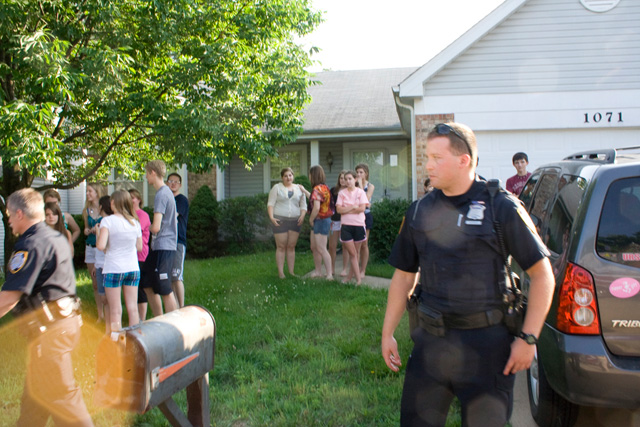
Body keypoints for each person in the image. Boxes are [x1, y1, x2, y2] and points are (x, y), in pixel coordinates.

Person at [381, 123, 554, 426]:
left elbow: (542, 275)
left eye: (436, 158)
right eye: (427, 157)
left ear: (464, 160)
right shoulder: (419, 211)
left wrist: (529, 339)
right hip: (431, 344)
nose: (428, 165)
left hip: (488, 348)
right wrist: (388, 333)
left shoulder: (501, 207)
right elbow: (404, 277)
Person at [0, 188, 93, 426]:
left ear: (20, 214)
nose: (8, 220)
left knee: (65, 400)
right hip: (60, 326)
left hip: (50, 334)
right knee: (34, 402)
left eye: (9, 214)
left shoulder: (31, 244)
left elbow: (9, 297)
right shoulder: (55, 237)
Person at [96, 190, 142, 335]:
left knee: (115, 310)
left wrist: (98, 233)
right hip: (132, 268)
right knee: (133, 308)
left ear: (113, 203)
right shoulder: (135, 222)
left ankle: (117, 342)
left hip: (113, 268)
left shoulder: (107, 221)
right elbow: (139, 247)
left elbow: (101, 245)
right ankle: (135, 340)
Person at [144, 160, 179, 316]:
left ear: (153, 172)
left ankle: (174, 322)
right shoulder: (165, 193)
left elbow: (156, 227)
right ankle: (159, 319)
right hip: (158, 246)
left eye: (147, 173)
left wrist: (145, 228)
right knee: (146, 281)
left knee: (164, 287)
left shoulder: (162, 194)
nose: (146, 177)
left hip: (164, 246)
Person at [267, 167, 307, 278]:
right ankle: (281, 273)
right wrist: (271, 217)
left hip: (295, 220)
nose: (288, 178)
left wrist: (302, 215)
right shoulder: (276, 188)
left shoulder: (299, 188)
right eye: (285, 176)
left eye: (290, 175)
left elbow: (303, 205)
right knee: (281, 246)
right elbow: (270, 204)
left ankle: (291, 272)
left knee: (291, 246)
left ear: (293, 176)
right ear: (282, 177)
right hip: (280, 220)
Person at [336, 170, 369, 285]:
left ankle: (350, 277)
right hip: (346, 226)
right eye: (346, 179)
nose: (347, 181)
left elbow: (362, 208)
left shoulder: (361, 192)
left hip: (359, 225)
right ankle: (358, 279)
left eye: (350, 179)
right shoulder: (342, 193)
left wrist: (346, 209)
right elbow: (339, 210)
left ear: (355, 179)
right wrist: (352, 207)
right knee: (353, 253)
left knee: (355, 253)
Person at [82, 183, 106, 322]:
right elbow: (85, 229)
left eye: (90, 191)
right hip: (90, 246)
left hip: (101, 248)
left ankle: (109, 309)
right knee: (95, 282)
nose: (87, 194)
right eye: (87, 191)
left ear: (97, 192)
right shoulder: (86, 210)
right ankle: (100, 314)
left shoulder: (105, 209)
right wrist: (87, 230)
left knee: (104, 280)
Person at [167, 173, 189, 307]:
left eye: (176, 182)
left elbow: (172, 216)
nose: (173, 184)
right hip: (167, 243)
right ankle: (174, 307)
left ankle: (181, 307)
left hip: (178, 242)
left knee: (177, 276)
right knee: (170, 278)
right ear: (167, 183)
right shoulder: (167, 199)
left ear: (180, 185)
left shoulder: (181, 200)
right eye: (171, 181)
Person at [129, 188, 151, 321]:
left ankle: (142, 319)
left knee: (140, 286)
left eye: (133, 197)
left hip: (140, 254)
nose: (131, 200)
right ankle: (134, 316)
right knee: (132, 287)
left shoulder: (142, 215)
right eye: (128, 198)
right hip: (129, 255)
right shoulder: (127, 215)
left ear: (139, 199)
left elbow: (136, 230)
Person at [308, 165, 334, 280]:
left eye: (310, 174)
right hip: (323, 220)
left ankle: (329, 274)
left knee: (322, 248)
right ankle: (318, 271)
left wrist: (310, 219)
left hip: (320, 220)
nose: (309, 177)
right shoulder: (324, 187)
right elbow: (315, 200)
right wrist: (304, 191)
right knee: (315, 247)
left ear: (313, 175)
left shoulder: (316, 189)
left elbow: (317, 207)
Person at [93, 196, 113, 333]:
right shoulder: (100, 223)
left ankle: (112, 329)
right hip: (100, 265)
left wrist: (98, 232)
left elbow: (102, 246)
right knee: (103, 298)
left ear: (101, 207)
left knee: (109, 298)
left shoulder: (109, 223)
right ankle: (107, 329)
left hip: (109, 265)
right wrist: (95, 264)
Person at [355, 163, 375, 276]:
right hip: (355, 216)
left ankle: (363, 270)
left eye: (361, 172)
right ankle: (355, 269)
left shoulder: (370, 186)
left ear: (366, 174)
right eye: (357, 172)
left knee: (364, 244)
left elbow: (365, 200)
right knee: (356, 245)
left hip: (366, 216)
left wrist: (360, 186)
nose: (358, 174)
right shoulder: (353, 185)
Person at [329, 171, 349, 277]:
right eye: (341, 178)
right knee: (332, 246)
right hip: (334, 220)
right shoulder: (333, 190)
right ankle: (331, 268)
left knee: (345, 245)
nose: (343, 180)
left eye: (345, 178)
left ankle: (344, 269)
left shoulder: (350, 191)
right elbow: (329, 204)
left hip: (346, 220)